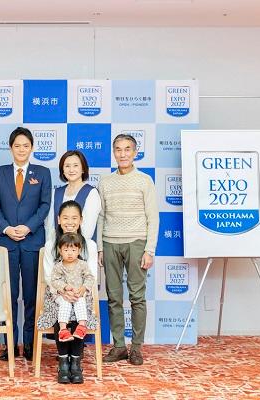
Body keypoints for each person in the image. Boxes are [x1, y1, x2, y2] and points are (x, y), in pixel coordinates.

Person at [0, 126, 52, 361]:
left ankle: (29, 344)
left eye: (26, 145)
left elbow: (45, 205)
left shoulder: (43, 172)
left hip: (32, 241)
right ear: (10, 148)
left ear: (32, 148)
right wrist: (6, 228)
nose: (22, 149)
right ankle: (9, 344)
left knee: (30, 296)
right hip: (6, 242)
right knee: (8, 294)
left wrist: (28, 227)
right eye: (17, 145)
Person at [97, 134, 159, 365]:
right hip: (111, 243)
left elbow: (153, 218)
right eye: (118, 149)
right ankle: (119, 346)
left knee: (137, 297)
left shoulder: (144, 181)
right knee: (113, 297)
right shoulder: (105, 181)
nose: (122, 154)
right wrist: (101, 247)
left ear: (135, 152)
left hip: (136, 243)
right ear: (113, 152)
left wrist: (149, 249)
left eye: (127, 149)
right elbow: (102, 216)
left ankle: (137, 348)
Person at [38, 200, 98, 384]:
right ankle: (64, 362)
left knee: (79, 312)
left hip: (82, 293)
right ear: (58, 220)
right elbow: (49, 276)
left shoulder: (90, 245)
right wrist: (63, 290)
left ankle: (76, 363)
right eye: (65, 218)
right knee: (61, 311)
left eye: (74, 218)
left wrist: (79, 291)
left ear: (81, 220)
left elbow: (92, 275)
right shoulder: (50, 245)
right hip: (57, 293)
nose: (69, 222)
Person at [45, 150, 101, 242]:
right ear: (62, 170)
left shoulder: (91, 193)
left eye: (75, 165)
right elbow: (50, 226)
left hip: (82, 249)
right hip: (58, 250)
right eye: (67, 166)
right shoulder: (56, 193)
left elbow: (88, 230)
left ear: (83, 169)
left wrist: (72, 250)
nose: (71, 170)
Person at [50, 232, 95, 343]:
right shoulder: (58, 266)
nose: (70, 254)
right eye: (66, 250)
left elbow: (90, 277)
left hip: (78, 293)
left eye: (73, 250)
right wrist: (65, 287)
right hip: (62, 294)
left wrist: (83, 288)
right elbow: (54, 280)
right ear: (60, 251)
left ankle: (81, 327)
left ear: (79, 251)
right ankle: (63, 330)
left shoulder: (82, 264)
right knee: (65, 303)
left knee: (80, 301)